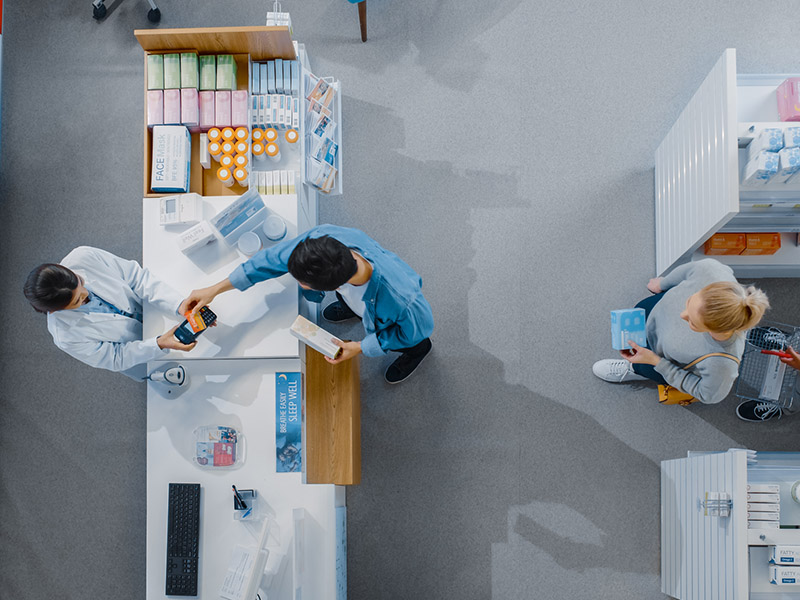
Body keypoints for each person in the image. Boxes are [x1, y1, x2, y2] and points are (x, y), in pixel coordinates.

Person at [179, 224, 434, 384]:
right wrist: (214, 290)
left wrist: (360, 346)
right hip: (358, 297)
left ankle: (418, 353)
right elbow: (270, 260)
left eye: (304, 284)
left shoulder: (402, 299)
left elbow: (416, 329)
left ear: (332, 285)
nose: (300, 286)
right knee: (357, 306)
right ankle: (352, 308)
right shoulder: (324, 240)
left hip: (400, 325)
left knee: (413, 341)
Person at [592, 259, 770, 419]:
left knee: (643, 366)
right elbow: (690, 270)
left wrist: (655, 362)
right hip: (655, 312)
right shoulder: (712, 271)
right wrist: (663, 283)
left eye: (692, 322)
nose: (682, 315)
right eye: (689, 302)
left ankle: (634, 369)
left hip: (659, 358)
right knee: (641, 312)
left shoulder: (721, 362)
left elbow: (708, 395)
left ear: (713, 330)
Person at [23, 246, 196, 381]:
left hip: (154, 310)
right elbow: (116, 358)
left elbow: (136, 278)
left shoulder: (83, 257)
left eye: (80, 282)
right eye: (78, 301)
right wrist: (158, 345)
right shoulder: (65, 336)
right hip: (140, 352)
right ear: (56, 311)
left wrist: (177, 303)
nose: (86, 293)